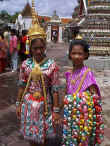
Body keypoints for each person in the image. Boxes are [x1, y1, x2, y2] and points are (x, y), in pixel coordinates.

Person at [16, 12, 61, 146]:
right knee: (31, 136)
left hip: (45, 106)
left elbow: (55, 89)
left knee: (43, 137)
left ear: (45, 47)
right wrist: (18, 104)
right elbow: (22, 85)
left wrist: (56, 110)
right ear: (30, 48)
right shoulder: (25, 65)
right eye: (35, 48)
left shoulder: (51, 65)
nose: (38, 51)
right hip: (28, 105)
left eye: (41, 48)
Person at [62, 39, 104, 146]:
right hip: (70, 116)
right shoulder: (68, 74)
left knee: (82, 141)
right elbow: (66, 92)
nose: (76, 56)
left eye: (80, 53)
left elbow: (94, 98)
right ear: (70, 54)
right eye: (74, 53)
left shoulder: (88, 73)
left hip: (84, 118)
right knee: (70, 140)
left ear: (85, 55)